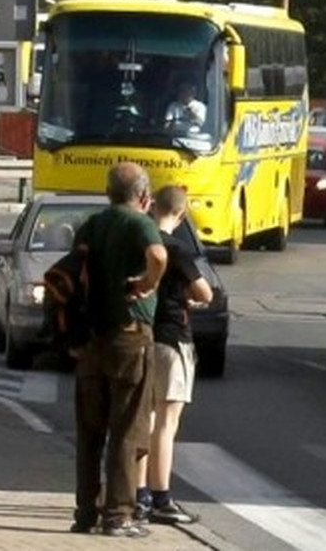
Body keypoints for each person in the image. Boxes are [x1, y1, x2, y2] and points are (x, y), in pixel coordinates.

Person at [70, 162, 167, 538]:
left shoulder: (94, 224)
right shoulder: (139, 222)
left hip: (92, 338)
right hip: (129, 337)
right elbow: (158, 256)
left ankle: (84, 512)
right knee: (127, 428)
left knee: (90, 431)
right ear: (144, 196)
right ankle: (119, 515)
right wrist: (148, 282)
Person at [135, 185, 214, 526]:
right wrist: (191, 300)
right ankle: (161, 497)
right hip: (172, 338)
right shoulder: (178, 250)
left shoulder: (141, 245)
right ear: (181, 215)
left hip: (141, 335)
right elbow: (205, 292)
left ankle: (137, 494)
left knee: (143, 419)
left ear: (152, 207)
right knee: (166, 423)